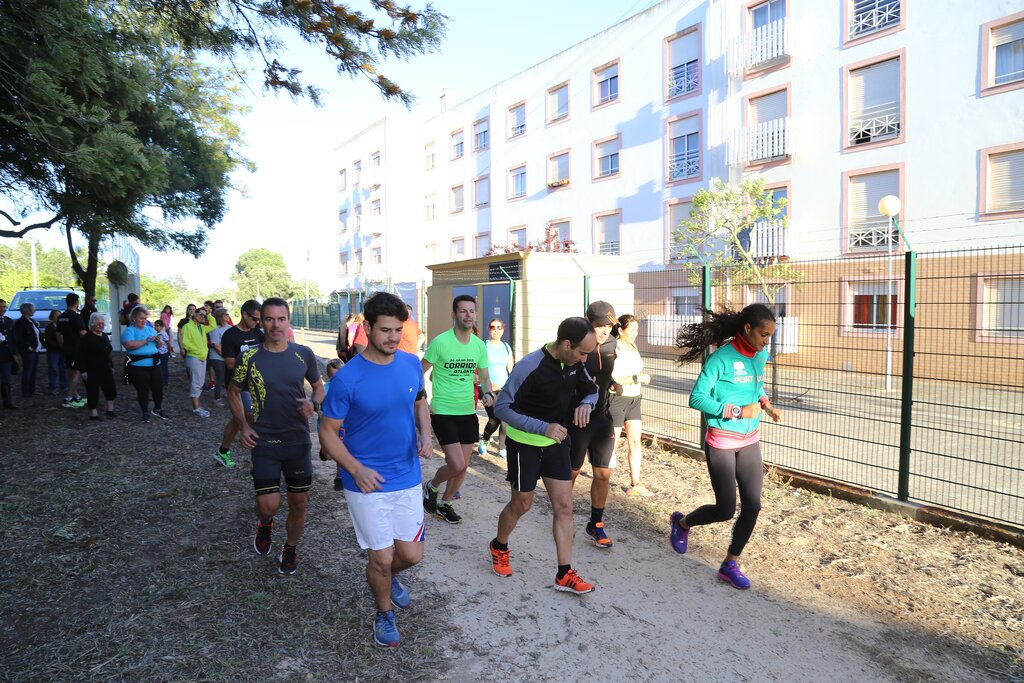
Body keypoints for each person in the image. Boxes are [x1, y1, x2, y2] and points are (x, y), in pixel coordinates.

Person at [319, 292, 432, 648]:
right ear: (367, 328)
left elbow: (419, 401)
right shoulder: (347, 379)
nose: (393, 338)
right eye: (386, 330)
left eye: (399, 330)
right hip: (365, 482)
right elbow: (326, 432)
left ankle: (385, 578)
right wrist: (354, 468)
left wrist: (425, 436)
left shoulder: (411, 363)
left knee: (411, 555)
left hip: (407, 475)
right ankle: (383, 612)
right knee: (381, 558)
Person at [670, 303, 783, 590]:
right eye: (762, 334)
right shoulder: (720, 359)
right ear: (747, 329)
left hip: (750, 440)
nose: (766, 341)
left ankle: (730, 563)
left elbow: (755, 386)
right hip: (721, 440)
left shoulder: (760, 356)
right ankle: (682, 524)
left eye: (770, 335)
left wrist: (766, 405)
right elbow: (696, 398)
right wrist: (736, 411)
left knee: (753, 506)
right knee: (725, 509)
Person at [490, 316, 598, 594]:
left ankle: (565, 573)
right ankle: (499, 546)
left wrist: (587, 402)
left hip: (557, 442)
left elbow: (591, 389)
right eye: (582, 352)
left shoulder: (575, 364)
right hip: (523, 444)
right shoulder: (529, 366)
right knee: (522, 504)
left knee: (564, 507)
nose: (586, 359)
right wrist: (542, 427)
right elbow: (502, 408)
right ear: (566, 344)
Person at [229, 297, 324, 576]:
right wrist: (244, 426)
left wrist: (314, 404)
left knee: (299, 502)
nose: (275, 325)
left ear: (288, 321)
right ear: (261, 322)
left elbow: (319, 387)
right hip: (264, 440)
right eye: (269, 319)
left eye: (281, 319)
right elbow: (234, 393)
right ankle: (266, 523)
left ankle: (290, 548)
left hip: (297, 440)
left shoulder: (303, 354)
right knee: (268, 505)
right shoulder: (249, 357)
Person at [421, 295, 494, 524]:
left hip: (467, 411)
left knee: (462, 468)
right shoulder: (441, 342)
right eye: (463, 311)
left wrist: (489, 392)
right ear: (454, 315)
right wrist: (420, 396)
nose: (468, 315)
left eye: (472, 311)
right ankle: (432, 486)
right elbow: (419, 370)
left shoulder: (479, 345)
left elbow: (484, 377)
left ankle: (446, 502)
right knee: (457, 464)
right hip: (443, 410)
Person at [568, 301, 620, 549]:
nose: (605, 330)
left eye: (609, 325)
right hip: (577, 420)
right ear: (588, 321)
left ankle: (595, 524)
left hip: (602, 417)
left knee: (603, 473)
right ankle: (563, 517)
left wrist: (613, 385)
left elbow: (604, 375)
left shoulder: (612, 344)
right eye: (600, 325)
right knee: (571, 473)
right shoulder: (574, 343)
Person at [215, 300, 264, 468]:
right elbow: (229, 363)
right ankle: (247, 439)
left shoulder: (258, 333)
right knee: (246, 415)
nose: (257, 322)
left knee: (240, 419)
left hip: (256, 383)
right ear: (244, 314)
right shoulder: (230, 335)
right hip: (239, 385)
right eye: (254, 318)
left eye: (259, 319)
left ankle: (223, 451)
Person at [611, 314, 653, 497]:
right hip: (618, 400)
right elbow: (613, 379)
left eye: (637, 330)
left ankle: (636, 483)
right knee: (610, 444)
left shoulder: (632, 345)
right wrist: (637, 378)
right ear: (621, 330)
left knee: (635, 442)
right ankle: (602, 477)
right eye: (632, 330)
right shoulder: (615, 348)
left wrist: (639, 378)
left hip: (634, 399)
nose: (636, 334)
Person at [122, 305, 168, 422]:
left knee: (158, 387)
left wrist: (158, 342)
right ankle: (145, 411)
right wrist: (145, 341)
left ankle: (157, 408)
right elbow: (129, 345)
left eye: (145, 318)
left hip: (154, 364)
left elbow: (159, 346)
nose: (144, 321)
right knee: (143, 390)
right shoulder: (129, 330)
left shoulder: (150, 329)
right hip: (138, 366)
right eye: (141, 318)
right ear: (134, 318)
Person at [478, 318, 514, 459]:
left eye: (499, 327)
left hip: (503, 388)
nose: (496, 330)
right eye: (493, 327)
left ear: (503, 330)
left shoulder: (506, 347)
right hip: (487, 387)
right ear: (489, 329)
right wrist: (491, 385)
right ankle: (485, 440)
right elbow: (479, 369)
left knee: (505, 420)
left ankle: (502, 447)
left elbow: (510, 369)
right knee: (494, 418)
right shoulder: (483, 346)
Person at [78, 312, 117, 421]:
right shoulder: (87, 338)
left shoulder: (104, 336)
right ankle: (93, 414)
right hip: (91, 369)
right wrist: (83, 371)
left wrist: (111, 365)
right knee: (93, 392)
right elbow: (80, 356)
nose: (101, 325)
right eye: (98, 323)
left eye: (102, 323)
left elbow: (108, 352)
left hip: (105, 368)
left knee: (111, 389)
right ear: (92, 324)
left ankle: (110, 410)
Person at [180, 306, 215, 417]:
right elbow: (186, 343)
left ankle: (197, 406)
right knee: (196, 382)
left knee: (200, 382)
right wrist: (198, 351)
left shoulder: (202, 327)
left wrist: (209, 314)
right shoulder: (187, 326)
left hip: (202, 357)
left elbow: (213, 325)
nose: (202, 317)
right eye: (200, 314)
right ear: (194, 314)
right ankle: (196, 408)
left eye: (204, 316)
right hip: (193, 357)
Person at [56, 293, 88, 408]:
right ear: (76, 303)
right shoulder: (76, 317)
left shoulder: (61, 317)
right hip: (76, 349)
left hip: (66, 349)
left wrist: (62, 346)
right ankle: (68, 397)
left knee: (70, 371)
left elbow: (58, 334)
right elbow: (83, 333)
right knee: (76, 372)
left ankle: (76, 396)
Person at [13, 303, 42, 397]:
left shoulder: (31, 321)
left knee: (33, 370)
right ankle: (26, 391)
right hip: (28, 351)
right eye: (33, 309)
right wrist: (28, 347)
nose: (35, 310)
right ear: (28, 310)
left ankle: (32, 390)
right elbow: (19, 338)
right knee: (28, 370)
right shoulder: (20, 323)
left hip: (35, 350)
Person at [207, 308, 231, 403]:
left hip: (226, 356)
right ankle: (217, 398)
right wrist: (226, 356)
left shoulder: (229, 327)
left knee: (228, 377)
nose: (228, 316)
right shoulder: (214, 329)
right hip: (217, 357)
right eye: (226, 315)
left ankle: (229, 395)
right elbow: (216, 345)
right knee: (220, 377)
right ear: (220, 317)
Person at [44, 310, 68, 397]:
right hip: (53, 351)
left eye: (59, 315)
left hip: (61, 351)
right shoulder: (50, 327)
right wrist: (60, 346)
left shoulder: (62, 326)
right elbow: (48, 340)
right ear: (52, 316)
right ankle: (52, 388)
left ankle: (64, 385)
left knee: (63, 368)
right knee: (53, 368)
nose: (58, 317)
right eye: (56, 315)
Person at [0, 299, 18, 409]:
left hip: (6, 355)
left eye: (4, 307)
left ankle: (7, 401)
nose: (2, 309)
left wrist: (15, 354)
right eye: (0, 307)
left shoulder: (9, 321)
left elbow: (13, 339)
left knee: (6, 379)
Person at [153, 319, 171, 387]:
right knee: (158, 368)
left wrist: (169, 352)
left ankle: (164, 382)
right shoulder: (156, 334)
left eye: (157, 326)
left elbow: (168, 343)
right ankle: (159, 381)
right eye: (155, 326)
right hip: (158, 353)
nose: (155, 327)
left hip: (163, 353)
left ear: (161, 326)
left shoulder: (163, 334)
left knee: (164, 368)